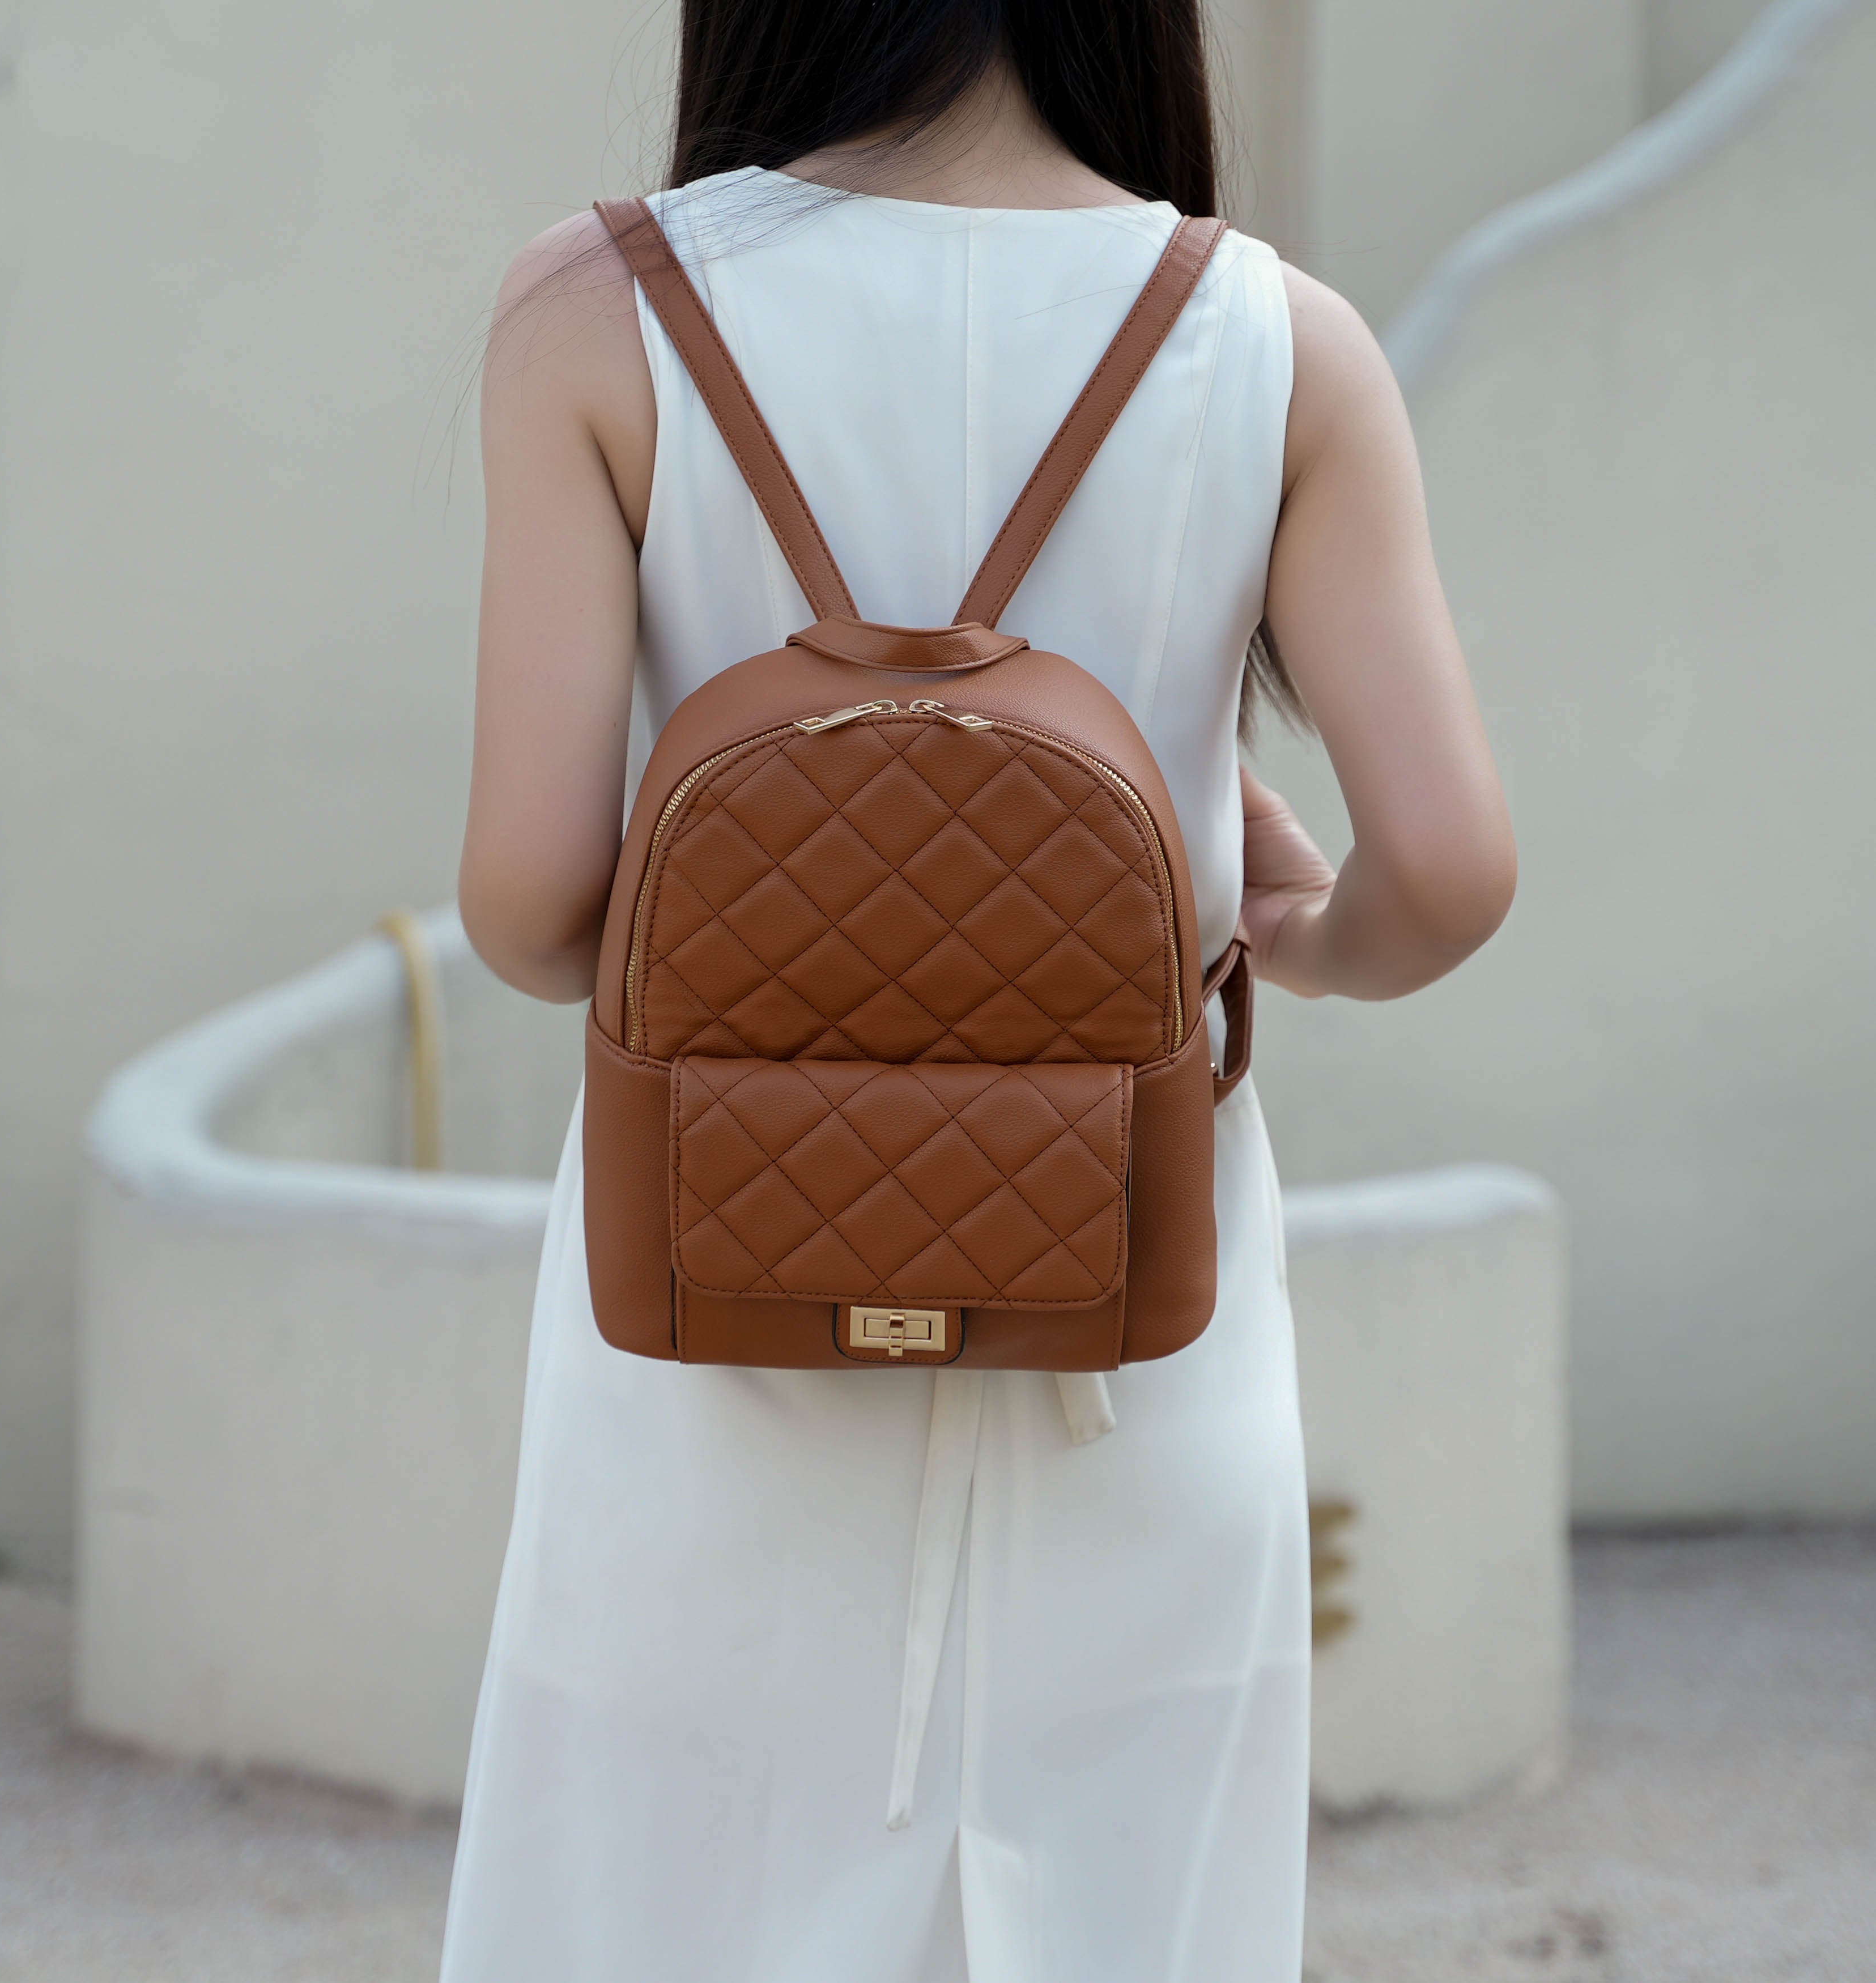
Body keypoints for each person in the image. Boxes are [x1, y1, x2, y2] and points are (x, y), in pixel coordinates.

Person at [445, 2, 1515, 1976]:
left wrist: (804, 943)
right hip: (1131, 1322)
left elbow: (528, 906)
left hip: (714, 1308)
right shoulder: (1275, 339)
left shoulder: (596, 309)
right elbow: (1446, 876)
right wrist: (1274, 927)